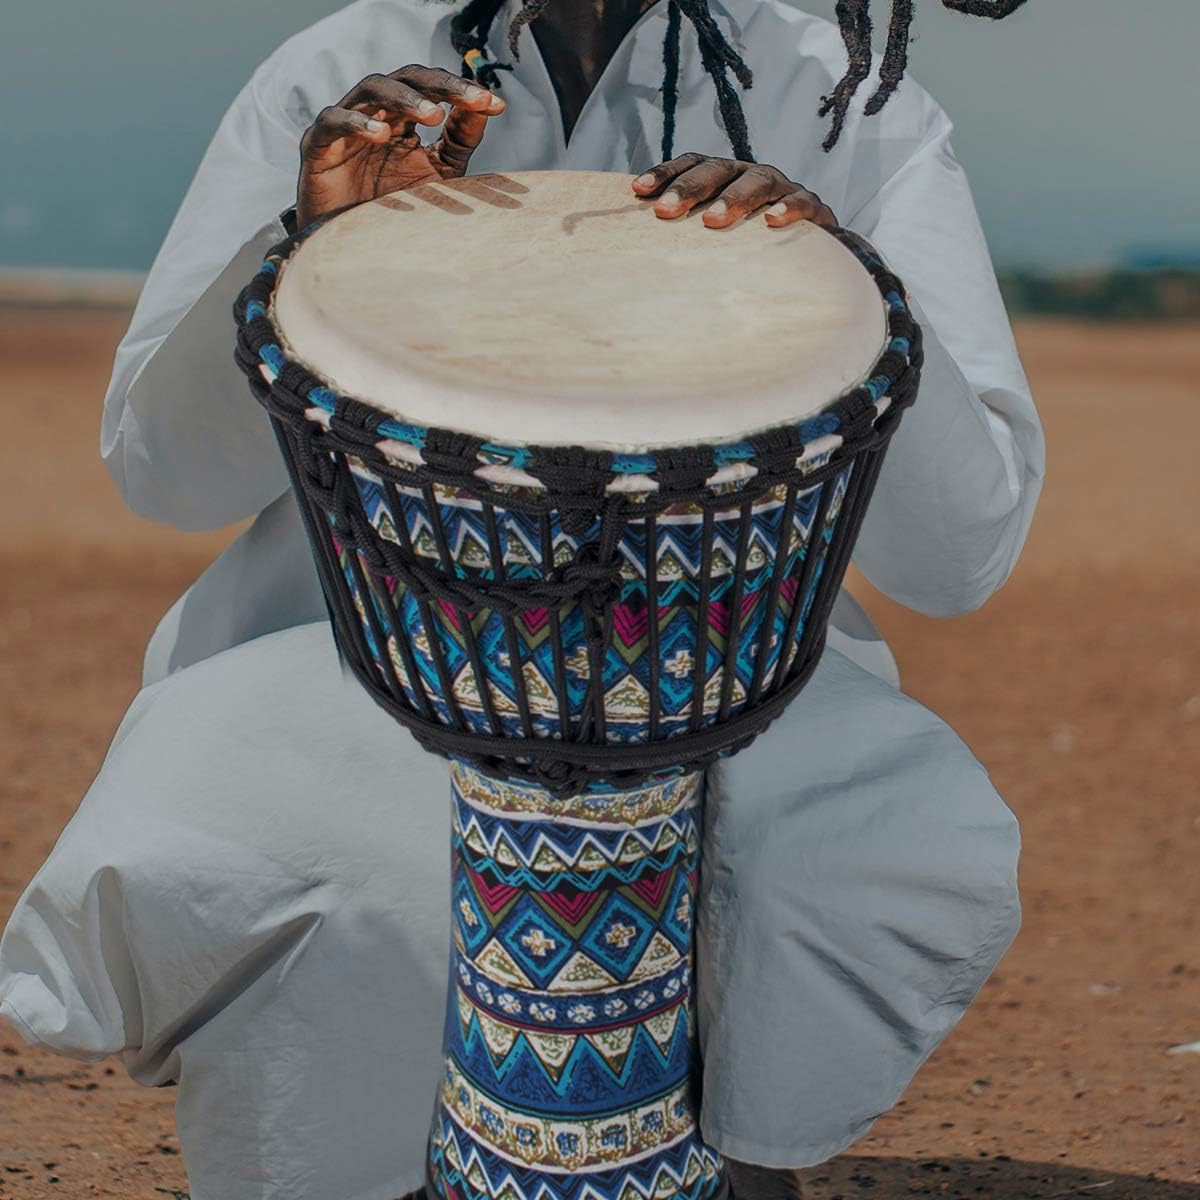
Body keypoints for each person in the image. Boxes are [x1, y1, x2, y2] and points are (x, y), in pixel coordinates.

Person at [0, 1, 1044, 1198]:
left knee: (835, 846)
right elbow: (163, 472)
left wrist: (846, 278)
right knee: (287, 847)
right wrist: (312, 244)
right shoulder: (338, 73)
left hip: (728, 691)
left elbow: (962, 557)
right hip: (354, 662)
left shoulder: (844, 100)